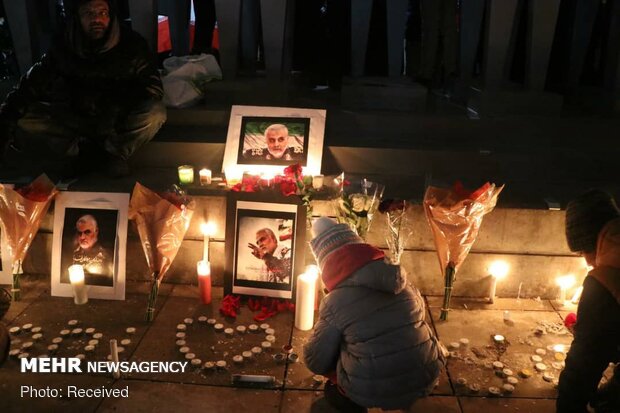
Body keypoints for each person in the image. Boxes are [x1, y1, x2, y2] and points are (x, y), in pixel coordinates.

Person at [0, 0, 166, 178]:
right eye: (89, 14)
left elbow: (153, 88)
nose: (96, 19)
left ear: (111, 17)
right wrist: (6, 119)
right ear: (78, 18)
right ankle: (82, 152)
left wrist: (114, 107)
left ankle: (110, 154)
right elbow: (31, 84)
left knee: (154, 113)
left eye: (102, 13)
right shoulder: (64, 44)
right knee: (26, 118)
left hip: (115, 121)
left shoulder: (132, 44)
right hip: (76, 119)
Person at [304, 217, 445, 411]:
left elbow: (316, 361)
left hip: (372, 388)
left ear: (327, 264)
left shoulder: (335, 302)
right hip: (425, 374)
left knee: (333, 388)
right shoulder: (404, 285)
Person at [558, 189, 620, 413]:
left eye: (581, 252)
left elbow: (584, 365)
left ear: (587, 242)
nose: (588, 263)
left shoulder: (606, 278)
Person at [71, 214, 113, 286]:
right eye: (79, 232)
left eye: (87, 232)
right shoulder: (71, 253)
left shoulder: (107, 256)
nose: (82, 237)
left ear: (96, 231)